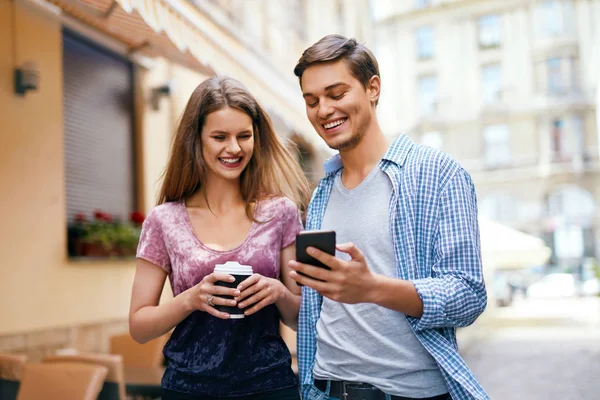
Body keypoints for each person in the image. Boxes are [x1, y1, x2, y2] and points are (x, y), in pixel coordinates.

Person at [288, 34, 489, 400]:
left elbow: (468, 294)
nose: (323, 110)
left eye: (337, 94)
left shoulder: (438, 173)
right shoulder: (320, 194)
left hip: (410, 393)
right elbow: (326, 308)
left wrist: (373, 288)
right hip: (327, 390)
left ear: (372, 88)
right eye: (312, 100)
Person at [129, 76, 310, 400]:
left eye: (244, 136)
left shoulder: (280, 213)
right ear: (196, 140)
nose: (234, 148)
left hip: (270, 387)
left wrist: (278, 291)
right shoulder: (164, 221)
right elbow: (139, 327)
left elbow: (299, 319)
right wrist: (191, 298)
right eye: (219, 137)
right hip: (187, 389)